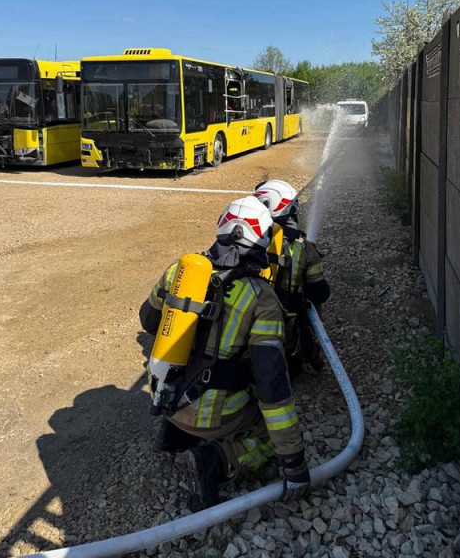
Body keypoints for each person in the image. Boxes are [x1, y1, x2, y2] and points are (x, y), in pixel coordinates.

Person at [139, 196, 310, 510]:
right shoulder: (261, 297)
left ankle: (174, 434)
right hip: (214, 415)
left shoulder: (181, 271)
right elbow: (271, 383)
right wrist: (293, 459)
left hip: (167, 398)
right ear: (261, 239)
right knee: (266, 437)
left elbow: (148, 322)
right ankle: (218, 460)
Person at [253, 179, 331, 376]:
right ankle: (307, 354)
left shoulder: (249, 241)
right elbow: (320, 293)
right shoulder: (303, 249)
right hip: (287, 327)